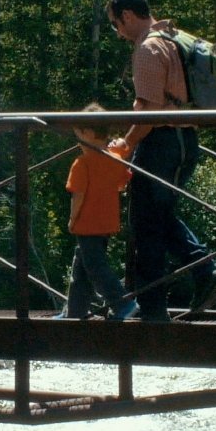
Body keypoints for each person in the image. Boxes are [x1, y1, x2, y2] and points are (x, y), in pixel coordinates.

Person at [105, 0, 216, 321]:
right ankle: (195, 278)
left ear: (128, 15)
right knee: (156, 216)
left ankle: (163, 302)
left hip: (162, 143)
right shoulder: (173, 38)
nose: (118, 33)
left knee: (145, 223)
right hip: (187, 140)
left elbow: (149, 111)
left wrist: (125, 146)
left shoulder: (147, 48)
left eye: (116, 24)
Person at [54, 104, 139, 321]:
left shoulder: (82, 164)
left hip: (87, 224)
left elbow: (78, 196)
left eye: (79, 134)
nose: (77, 139)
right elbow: (121, 184)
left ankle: (123, 303)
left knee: (95, 267)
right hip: (107, 223)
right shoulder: (114, 158)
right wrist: (120, 149)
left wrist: (72, 220)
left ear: (89, 134)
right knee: (82, 265)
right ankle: (74, 311)